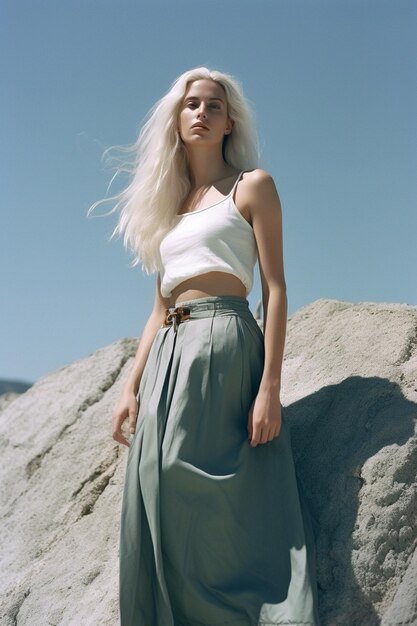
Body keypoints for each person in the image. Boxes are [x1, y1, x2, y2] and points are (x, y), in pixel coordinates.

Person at [95, 67, 320, 625]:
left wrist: (271, 386)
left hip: (224, 343)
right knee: (153, 484)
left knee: (199, 486)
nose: (201, 112)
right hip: (170, 349)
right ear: (177, 118)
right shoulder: (170, 210)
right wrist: (130, 386)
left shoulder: (253, 186)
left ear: (229, 121)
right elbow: (157, 308)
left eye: (213, 106)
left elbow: (275, 288)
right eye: (191, 104)